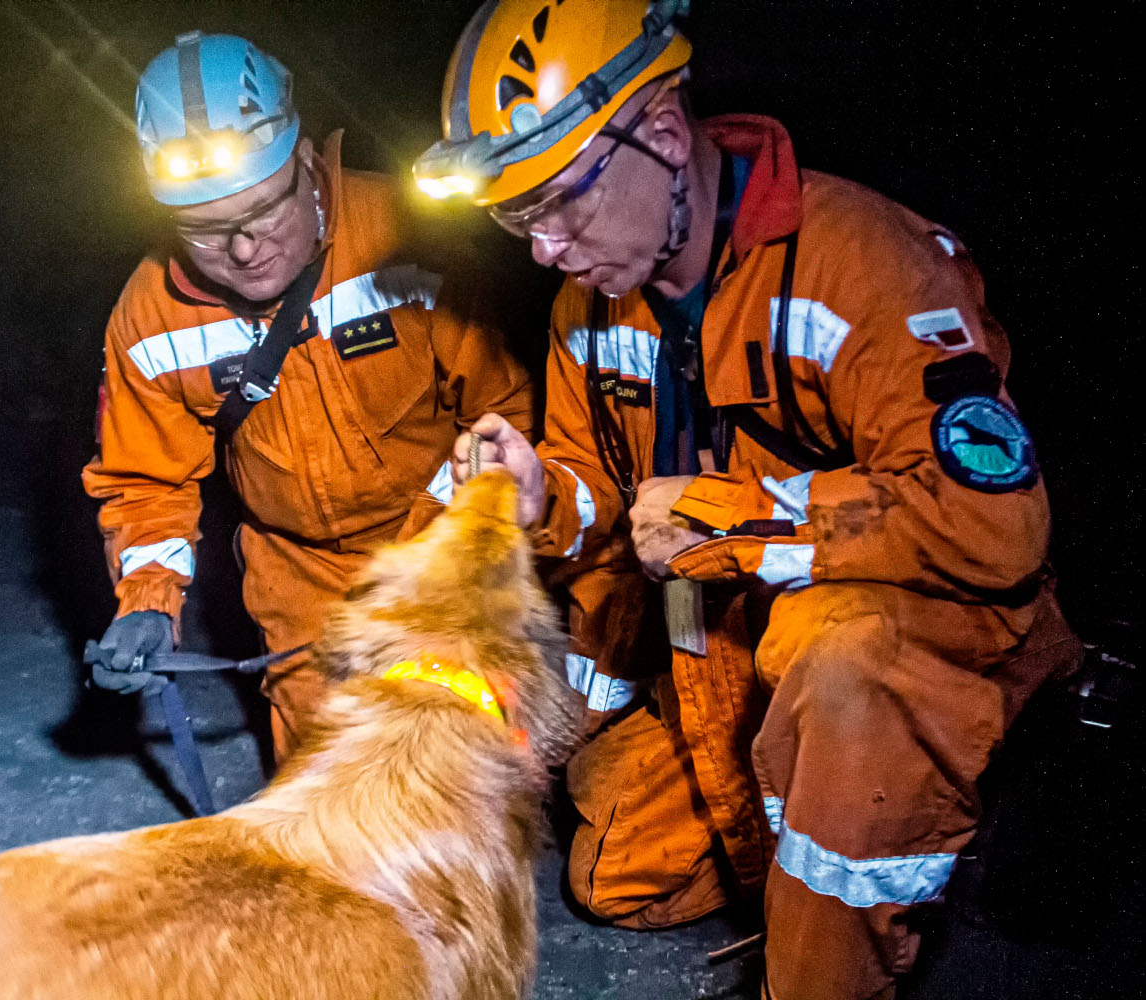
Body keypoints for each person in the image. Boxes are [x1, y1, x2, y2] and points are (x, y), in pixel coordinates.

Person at [416, 2, 1082, 997]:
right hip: (724, 659)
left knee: (839, 663)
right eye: (518, 220)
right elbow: (600, 484)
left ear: (667, 134)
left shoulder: (865, 262)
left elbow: (994, 520)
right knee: (614, 872)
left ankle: (854, 935)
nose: (544, 250)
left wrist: (730, 517)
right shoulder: (585, 302)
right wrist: (543, 495)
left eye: (560, 203)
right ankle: (847, 841)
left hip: (904, 642)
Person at [84, 31, 532, 760]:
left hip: (442, 540)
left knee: (460, 772)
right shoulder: (147, 319)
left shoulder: (402, 235)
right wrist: (146, 606)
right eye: (204, 232)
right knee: (330, 794)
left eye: (264, 213)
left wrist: (439, 568)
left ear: (304, 162)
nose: (243, 249)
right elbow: (146, 485)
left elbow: (504, 417)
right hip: (301, 577)